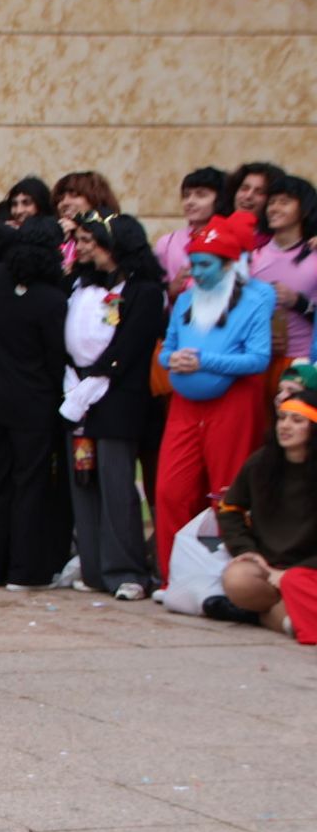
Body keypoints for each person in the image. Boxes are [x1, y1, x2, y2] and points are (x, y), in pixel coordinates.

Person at [154, 211, 275, 590]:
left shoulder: (255, 300)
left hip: (234, 405)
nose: (197, 273)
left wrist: (205, 361)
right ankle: (174, 578)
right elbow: (166, 351)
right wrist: (172, 360)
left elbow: (259, 359)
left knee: (226, 492)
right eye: (194, 264)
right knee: (171, 490)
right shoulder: (186, 300)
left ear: (229, 264)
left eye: (206, 265)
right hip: (184, 407)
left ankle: (229, 581)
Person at [61, 213, 167, 600]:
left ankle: (126, 570)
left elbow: (132, 343)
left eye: (91, 240)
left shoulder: (145, 291)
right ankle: (94, 567)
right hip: (77, 390)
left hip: (118, 395)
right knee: (84, 479)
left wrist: (98, 377)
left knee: (116, 481)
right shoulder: (82, 284)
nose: (83, 248)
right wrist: (75, 378)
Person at [0, 217, 70, 590]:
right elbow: (55, 356)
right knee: (29, 483)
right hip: (34, 403)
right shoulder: (53, 300)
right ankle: (23, 570)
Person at [217, 391, 317, 643]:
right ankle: (284, 616)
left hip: (310, 570)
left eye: (297, 420)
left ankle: (272, 616)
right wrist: (246, 550)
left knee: (297, 591)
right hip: (268, 567)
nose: (285, 426)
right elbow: (230, 509)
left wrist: (296, 573)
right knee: (237, 580)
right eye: (282, 418)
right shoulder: (260, 462)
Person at [249, 175, 317, 398]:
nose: (274, 208)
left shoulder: (314, 257)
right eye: (271, 202)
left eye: (284, 202)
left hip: (302, 363)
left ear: (304, 209)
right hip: (257, 360)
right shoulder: (251, 258)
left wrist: (298, 303)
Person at [154, 168, 228, 295]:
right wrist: (172, 289)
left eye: (201, 195)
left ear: (220, 198)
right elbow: (154, 292)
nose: (190, 202)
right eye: (186, 195)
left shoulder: (232, 240)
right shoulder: (167, 243)